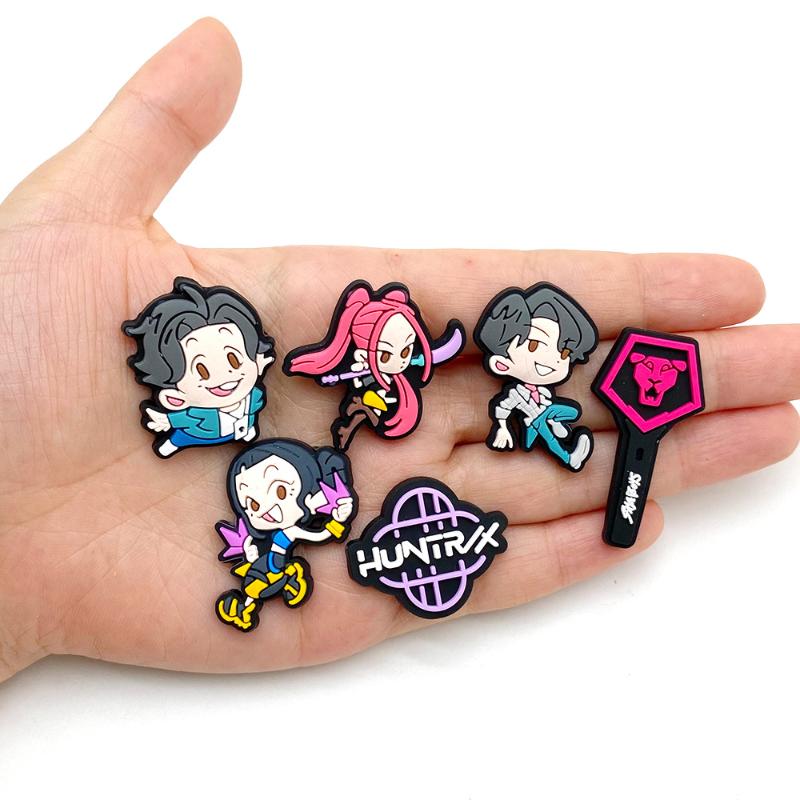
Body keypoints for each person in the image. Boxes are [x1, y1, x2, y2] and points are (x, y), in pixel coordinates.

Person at [0, 19, 796, 681]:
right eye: (209, 371)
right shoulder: (252, 441)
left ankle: (542, 438)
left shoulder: (377, 399)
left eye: (233, 359)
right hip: (296, 505)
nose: (230, 373)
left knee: (535, 428)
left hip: (372, 478)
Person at [123, 278, 274, 457]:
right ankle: (172, 443)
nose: (225, 374)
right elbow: (183, 419)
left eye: (234, 360)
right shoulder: (200, 414)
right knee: (182, 437)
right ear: (174, 394)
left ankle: (245, 433)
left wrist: (257, 367)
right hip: (198, 436)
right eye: (202, 370)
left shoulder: (253, 395)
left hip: (238, 432)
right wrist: (166, 421)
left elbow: (256, 404)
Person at [474, 284, 597, 471]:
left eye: (564, 352)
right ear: (501, 364)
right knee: (542, 424)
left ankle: (554, 422)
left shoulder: (544, 392)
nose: (554, 359)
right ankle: (570, 458)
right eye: (534, 345)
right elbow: (503, 408)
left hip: (544, 416)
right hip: (531, 428)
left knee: (572, 412)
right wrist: (502, 429)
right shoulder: (516, 394)